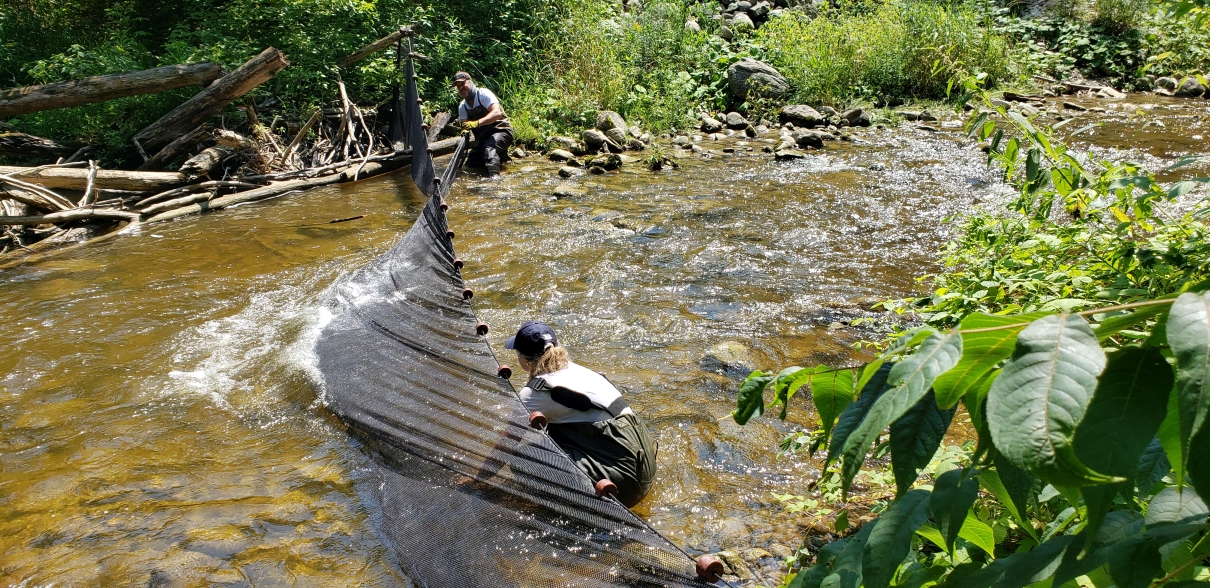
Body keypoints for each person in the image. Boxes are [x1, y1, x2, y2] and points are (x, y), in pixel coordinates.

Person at [506, 321, 657, 507]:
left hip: (621, 486)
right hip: (646, 468)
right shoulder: (580, 371)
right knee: (553, 434)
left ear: (524, 359)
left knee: (521, 458)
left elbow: (507, 443)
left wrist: (478, 478)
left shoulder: (534, 392)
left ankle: (570, 511)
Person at [451, 71, 514, 177]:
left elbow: (497, 113)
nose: (461, 88)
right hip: (484, 138)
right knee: (471, 163)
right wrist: (464, 130)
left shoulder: (483, 94)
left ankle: (495, 181)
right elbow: (465, 125)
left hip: (502, 131)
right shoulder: (463, 107)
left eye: (463, 84)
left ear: (470, 82)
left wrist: (476, 123)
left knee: (489, 149)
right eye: (458, 86)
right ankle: (503, 160)